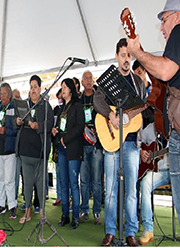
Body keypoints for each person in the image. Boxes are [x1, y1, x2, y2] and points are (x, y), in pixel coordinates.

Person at [127, 0, 180, 228]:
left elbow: (165, 70)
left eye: (164, 19)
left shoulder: (179, 30)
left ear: (178, 16)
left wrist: (137, 52)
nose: (162, 27)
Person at [94, 38, 146, 246]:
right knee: (111, 191)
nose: (126, 59)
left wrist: (131, 114)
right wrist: (112, 116)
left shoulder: (139, 82)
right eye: (123, 55)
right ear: (116, 56)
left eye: (129, 55)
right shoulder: (109, 80)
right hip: (111, 143)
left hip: (131, 143)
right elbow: (98, 100)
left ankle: (131, 233)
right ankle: (110, 232)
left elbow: (143, 106)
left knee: (132, 191)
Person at [15, 75, 53, 224]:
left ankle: (42, 213)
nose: (33, 90)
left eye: (35, 87)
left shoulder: (45, 106)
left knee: (41, 184)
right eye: (31, 87)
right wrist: (17, 121)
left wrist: (38, 126)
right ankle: (28, 212)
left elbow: (50, 124)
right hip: (25, 152)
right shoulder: (24, 105)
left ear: (40, 88)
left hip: (40, 152)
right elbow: (15, 120)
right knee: (27, 184)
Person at [52, 78, 84, 230]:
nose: (62, 89)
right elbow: (60, 127)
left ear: (71, 89)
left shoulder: (77, 106)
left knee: (73, 184)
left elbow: (79, 127)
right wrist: (56, 132)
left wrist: (66, 138)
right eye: (62, 87)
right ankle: (65, 215)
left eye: (65, 87)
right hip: (62, 149)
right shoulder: (61, 108)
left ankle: (75, 217)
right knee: (63, 183)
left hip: (73, 149)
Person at [138, 122, 170, 245]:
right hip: (159, 172)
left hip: (175, 171)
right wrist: (141, 152)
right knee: (145, 182)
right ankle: (148, 229)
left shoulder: (176, 126)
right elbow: (137, 142)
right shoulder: (151, 128)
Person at [79, 70, 104, 225]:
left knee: (96, 181)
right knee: (83, 180)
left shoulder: (100, 97)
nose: (89, 80)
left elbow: (106, 117)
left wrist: (98, 130)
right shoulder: (78, 99)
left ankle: (96, 212)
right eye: (86, 78)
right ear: (82, 83)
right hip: (82, 144)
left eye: (90, 78)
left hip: (97, 145)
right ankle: (84, 210)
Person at [0, 83, 18, 218]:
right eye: (1, 93)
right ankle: (2, 204)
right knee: (0, 178)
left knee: (9, 179)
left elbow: (17, 128)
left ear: (10, 94)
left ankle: (12, 205)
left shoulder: (14, 107)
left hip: (10, 149)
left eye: (5, 93)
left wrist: (7, 130)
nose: (2, 96)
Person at [52, 88, 63, 206]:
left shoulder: (67, 109)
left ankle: (68, 197)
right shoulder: (55, 109)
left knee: (66, 174)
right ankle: (59, 196)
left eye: (61, 97)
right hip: (55, 144)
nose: (60, 100)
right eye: (58, 98)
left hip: (66, 143)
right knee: (58, 172)